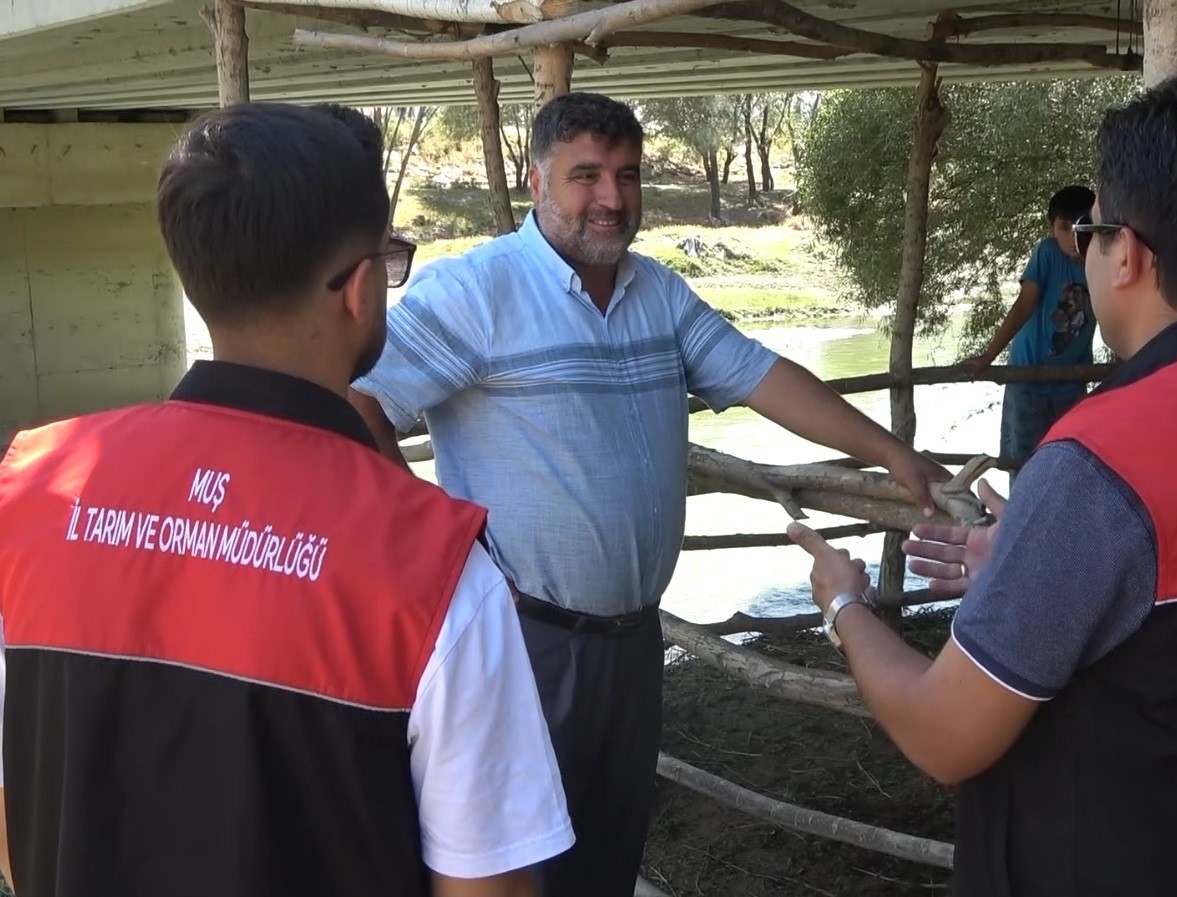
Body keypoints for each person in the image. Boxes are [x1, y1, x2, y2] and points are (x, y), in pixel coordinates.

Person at [788, 73, 1177, 897]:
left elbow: (943, 735)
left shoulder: (1105, 458)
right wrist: (1036, 570)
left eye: (1091, 230)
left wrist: (845, 607)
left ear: (1130, 254)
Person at [0, 103, 572, 897]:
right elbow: (493, 889)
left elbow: (5, 816)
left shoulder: (28, 500)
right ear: (358, 287)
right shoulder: (433, 571)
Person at [347, 91, 951, 897]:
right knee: (515, 860)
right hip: (526, 637)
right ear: (535, 182)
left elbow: (761, 375)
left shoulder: (655, 293)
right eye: (585, 176)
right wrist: (421, 537)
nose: (610, 198)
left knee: (610, 841)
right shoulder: (477, 291)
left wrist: (888, 452)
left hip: (633, 640)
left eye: (626, 175)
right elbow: (358, 400)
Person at [964, 185, 1097, 477]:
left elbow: (1119, 315)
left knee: (1070, 461)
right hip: (1028, 378)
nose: (1074, 238)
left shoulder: (1103, 260)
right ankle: (1019, 521)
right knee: (1024, 463)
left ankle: (1063, 522)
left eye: (1082, 227)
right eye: (1064, 227)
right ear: (1053, 228)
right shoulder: (1048, 252)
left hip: (1073, 380)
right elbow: (1024, 305)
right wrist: (988, 356)